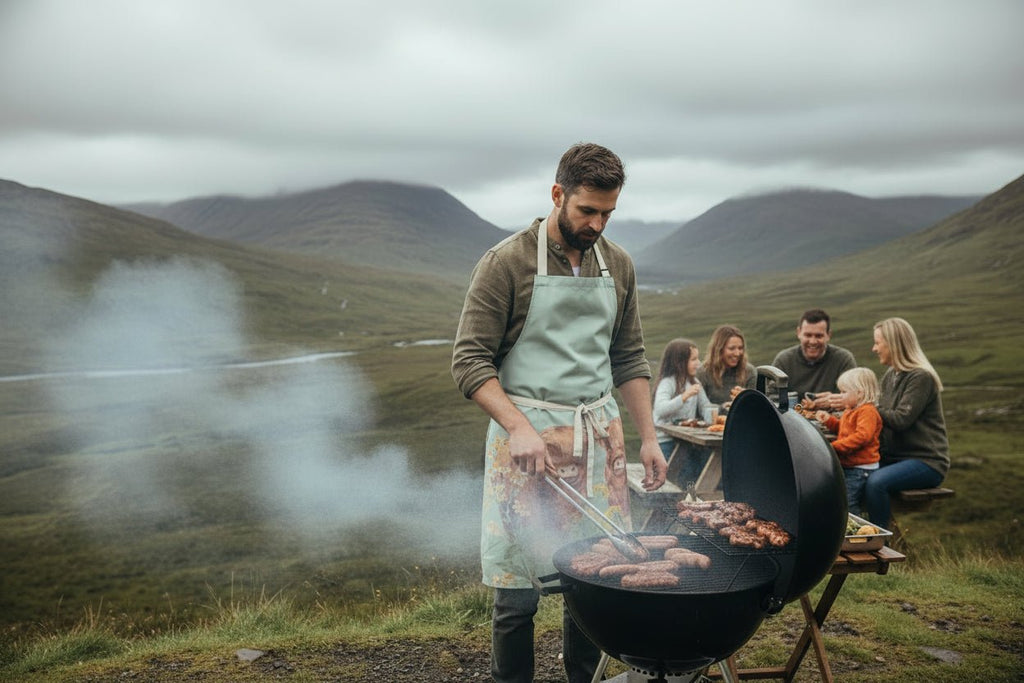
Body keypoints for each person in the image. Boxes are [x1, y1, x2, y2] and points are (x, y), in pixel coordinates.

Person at [451, 142, 666, 683]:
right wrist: (519, 426)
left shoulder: (618, 264)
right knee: (518, 591)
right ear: (557, 195)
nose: (597, 223)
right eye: (586, 210)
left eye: (607, 213)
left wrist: (648, 438)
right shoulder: (507, 262)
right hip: (526, 444)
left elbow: (629, 356)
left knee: (593, 581)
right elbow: (469, 359)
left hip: (599, 438)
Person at [863, 317, 950, 526]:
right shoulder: (890, 376)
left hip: (926, 462)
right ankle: (850, 538)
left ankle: (880, 547)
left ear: (893, 344)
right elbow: (881, 417)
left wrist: (867, 404)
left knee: (876, 483)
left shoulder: (921, 377)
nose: (874, 348)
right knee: (853, 473)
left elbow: (901, 419)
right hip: (894, 459)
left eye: (877, 342)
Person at [815, 367, 882, 516]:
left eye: (844, 392)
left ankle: (853, 533)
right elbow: (844, 429)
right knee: (841, 498)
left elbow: (862, 437)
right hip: (851, 466)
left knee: (848, 502)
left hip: (860, 468)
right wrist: (830, 421)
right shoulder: (851, 409)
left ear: (859, 393)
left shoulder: (867, 412)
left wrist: (834, 447)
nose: (840, 396)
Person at [652, 338, 716, 487]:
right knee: (683, 475)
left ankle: (695, 499)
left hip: (686, 441)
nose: (698, 363)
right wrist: (684, 396)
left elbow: (706, 406)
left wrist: (719, 408)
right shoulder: (668, 382)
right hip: (666, 442)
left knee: (704, 463)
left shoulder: (694, 382)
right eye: (693, 359)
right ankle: (677, 503)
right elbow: (660, 409)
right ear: (679, 362)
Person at [772, 308, 857, 408]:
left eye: (819, 336)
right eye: (808, 335)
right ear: (799, 333)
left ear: (828, 335)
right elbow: (771, 397)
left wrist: (835, 401)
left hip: (834, 419)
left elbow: (854, 397)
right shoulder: (783, 361)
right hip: (791, 421)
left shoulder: (844, 360)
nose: (813, 341)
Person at [696, 325, 757, 407]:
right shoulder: (703, 373)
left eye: (740, 348)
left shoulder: (749, 372)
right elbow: (698, 408)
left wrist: (746, 397)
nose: (737, 353)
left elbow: (754, 408)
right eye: (732, 348)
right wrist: (723, 408)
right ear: (719, 349)